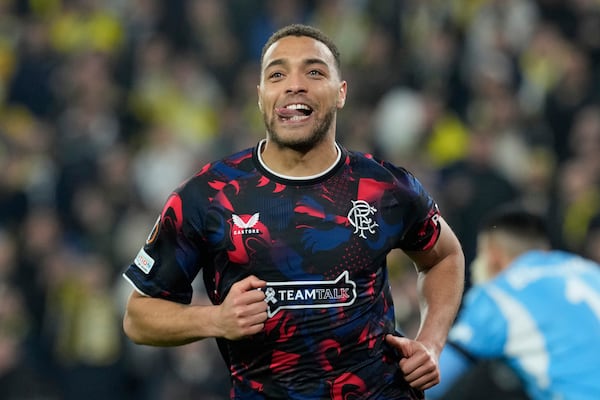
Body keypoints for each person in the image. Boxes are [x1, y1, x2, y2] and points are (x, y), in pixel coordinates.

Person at [122, 24, 465, 399]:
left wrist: (431, 343)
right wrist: (215, 319)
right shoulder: (209, 194)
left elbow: (444, 257)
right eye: (277, 74)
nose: (294, 85)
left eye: (314, 72)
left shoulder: (385, 187)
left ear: (341, 93)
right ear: (260, 96)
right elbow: (139, 318)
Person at [427, 207, 600, 400]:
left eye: (479, 256)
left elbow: (431, 380)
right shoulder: (589, 270)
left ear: (493, 256)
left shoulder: (500, 295)